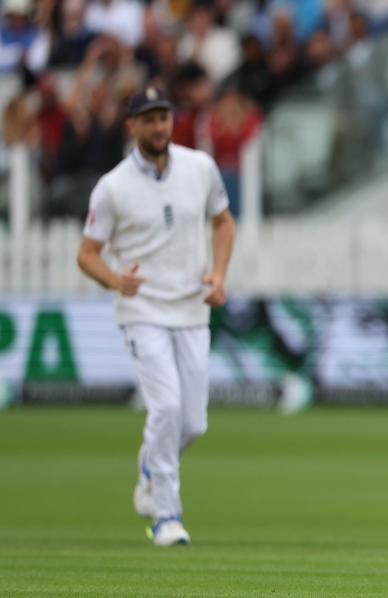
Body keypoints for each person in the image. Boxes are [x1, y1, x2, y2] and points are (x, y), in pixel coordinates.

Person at [76, 86, 236, 547]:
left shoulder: (199, 167)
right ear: (132, 127)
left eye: (163, 117)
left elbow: (223, 221)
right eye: (148, 119)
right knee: (165, 408)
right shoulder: (113, 187)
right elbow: (86, 253)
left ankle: (149, 465)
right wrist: (113, 280)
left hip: (191, 308)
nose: (159, 126)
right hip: (141, 310)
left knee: (192, 423)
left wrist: (219, 274)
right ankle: (166, 515)